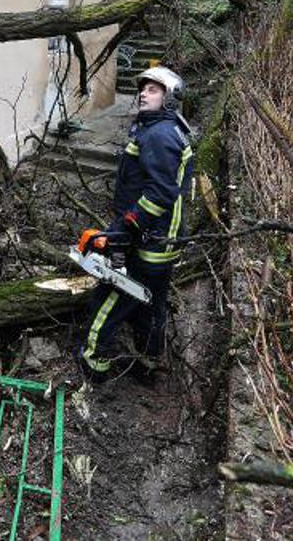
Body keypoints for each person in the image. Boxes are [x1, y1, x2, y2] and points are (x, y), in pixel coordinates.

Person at [80, 65, 195, 381]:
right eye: (143, 88)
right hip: (159, 240)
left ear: (170, 98)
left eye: (153, 89)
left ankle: (94, 363)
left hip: (150, 238)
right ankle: (147, 364)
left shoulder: (159, 135)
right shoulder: (155, 128)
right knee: (150, 304)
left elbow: (160, 194)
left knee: (112, 297)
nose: (144, 93)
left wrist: (126, 226)